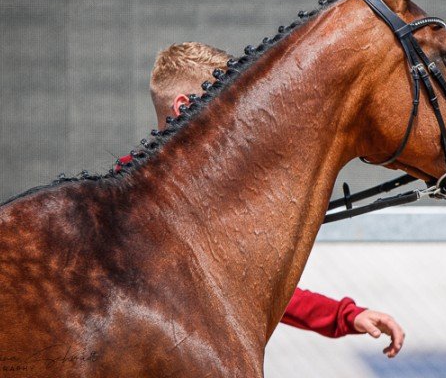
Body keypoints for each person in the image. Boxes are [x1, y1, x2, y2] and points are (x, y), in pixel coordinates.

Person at [117, 42, 404, 358]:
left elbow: (250, 287)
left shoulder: (209, 195)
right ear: (184, 107)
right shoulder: (126, 198)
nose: (235, 114)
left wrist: (345, 315)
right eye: (221, 101)